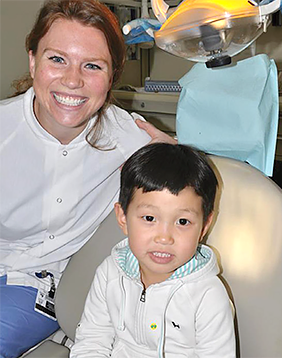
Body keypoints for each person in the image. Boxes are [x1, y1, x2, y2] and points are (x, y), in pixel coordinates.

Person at [0, 1, 174, 357]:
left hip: (41, 282)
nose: (73, 80)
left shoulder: (130, 138)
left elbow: (189, 181)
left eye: (92, 65)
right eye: (57, 59)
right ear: (33, 61)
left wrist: (172, 154)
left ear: (111, 76)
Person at [70, 143, 236, 358]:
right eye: (149, 218)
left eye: (183, 221)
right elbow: (92, 340)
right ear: (122, 217)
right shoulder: (110, 272)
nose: (164, 237)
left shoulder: (208, 296)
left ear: (204, 226)